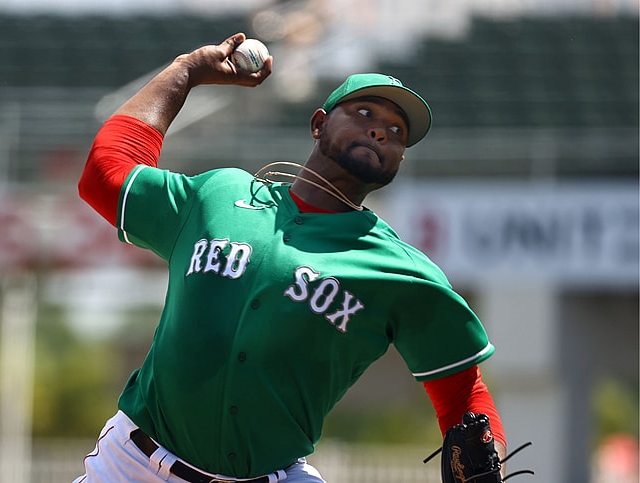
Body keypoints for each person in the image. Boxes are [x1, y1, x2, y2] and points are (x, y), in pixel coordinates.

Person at [75, 33, 507, 483]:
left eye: (397, 132)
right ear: (318, 123)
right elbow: (105, 174)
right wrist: (186, 71)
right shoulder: (219, 196)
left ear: (397, 160)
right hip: (134, 466)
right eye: (364, 113)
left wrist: (487, 455)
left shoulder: (401, 272)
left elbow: (464, 394)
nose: (381, 131)